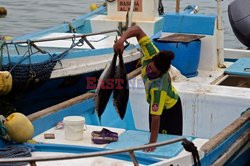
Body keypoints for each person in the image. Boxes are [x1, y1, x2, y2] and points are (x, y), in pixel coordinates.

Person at [113, 25, 183, 152]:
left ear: (161, 73)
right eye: (150, 68)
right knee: (155, 132)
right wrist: (121, 40)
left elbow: (156, 117)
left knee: (169, 143)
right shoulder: (152, 53)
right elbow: (137, 30)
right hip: (155, 104)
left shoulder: (158, 88)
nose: (149, 72)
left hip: (171, 110)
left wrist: (152, 142)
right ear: (152, 59)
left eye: (154, 73)